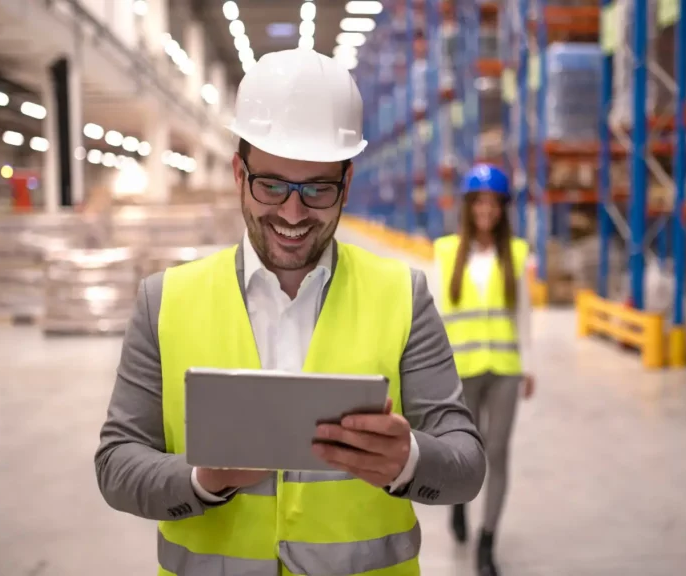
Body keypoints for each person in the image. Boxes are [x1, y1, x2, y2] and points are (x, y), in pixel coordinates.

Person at [94, 48, 486, 576]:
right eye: (272, 185)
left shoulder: (402, 295)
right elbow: (117, 463)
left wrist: (408, 460)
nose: (293, 213)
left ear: (346, 184)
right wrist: (201, 482)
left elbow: (465, 464)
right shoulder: (164, 301)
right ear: (239, 174)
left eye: (318, 189)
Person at [432, 164, 536, 576]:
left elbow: (524, 313)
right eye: (480, 202)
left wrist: (529, 366)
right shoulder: (444, 252)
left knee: (498, 451)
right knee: (465, 452)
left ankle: (486, 541)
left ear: (502, 209)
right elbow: (436, 315)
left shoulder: (516, 253)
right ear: (468, 206)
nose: (486, 210)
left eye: (494, 203)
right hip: (461, 370)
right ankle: (459, 504)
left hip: (505, 369)